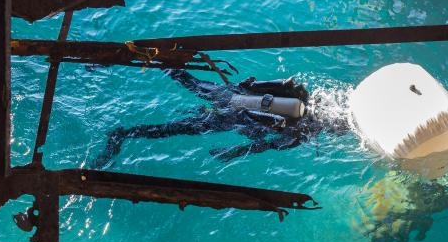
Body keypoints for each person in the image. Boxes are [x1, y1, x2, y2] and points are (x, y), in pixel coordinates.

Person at [90, 69, 350, 169]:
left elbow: (282, 82)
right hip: (234, 118)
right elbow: (264, 145)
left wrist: (246, 86)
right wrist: (233, 153)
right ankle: (123, 134)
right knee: (175, 128)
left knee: (186, 79)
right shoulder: (301, 135)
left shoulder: (303, 95)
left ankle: (142, 56)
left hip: (234, 95)